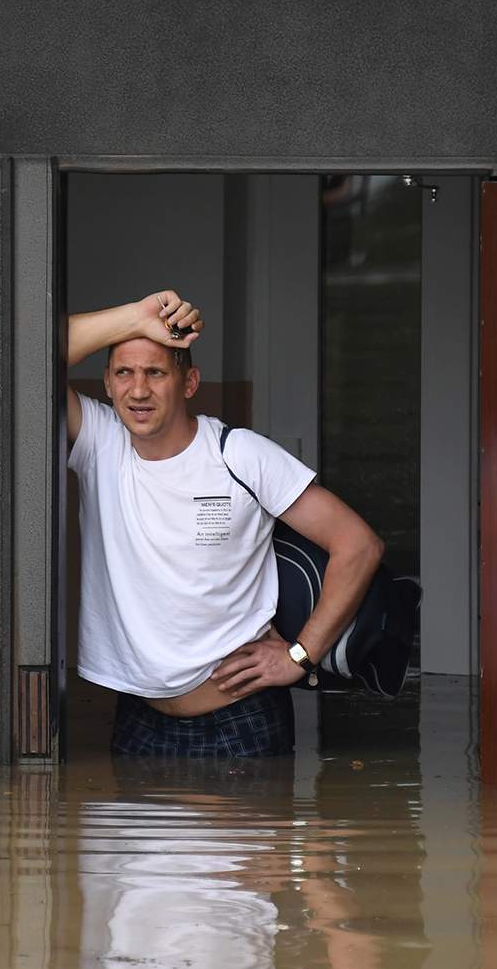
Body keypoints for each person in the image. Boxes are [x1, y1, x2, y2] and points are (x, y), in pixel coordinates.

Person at [67, 289, 383, 756]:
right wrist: (138, 317)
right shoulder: (100, 445)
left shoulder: (238, 455)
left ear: (189, 382)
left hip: (240, 724)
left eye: (155, 372)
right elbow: (26, 349)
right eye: (124, 373)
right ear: (108, 385)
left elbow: (359, 545)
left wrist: (301, 655)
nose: (138, 390)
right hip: (137, 721)